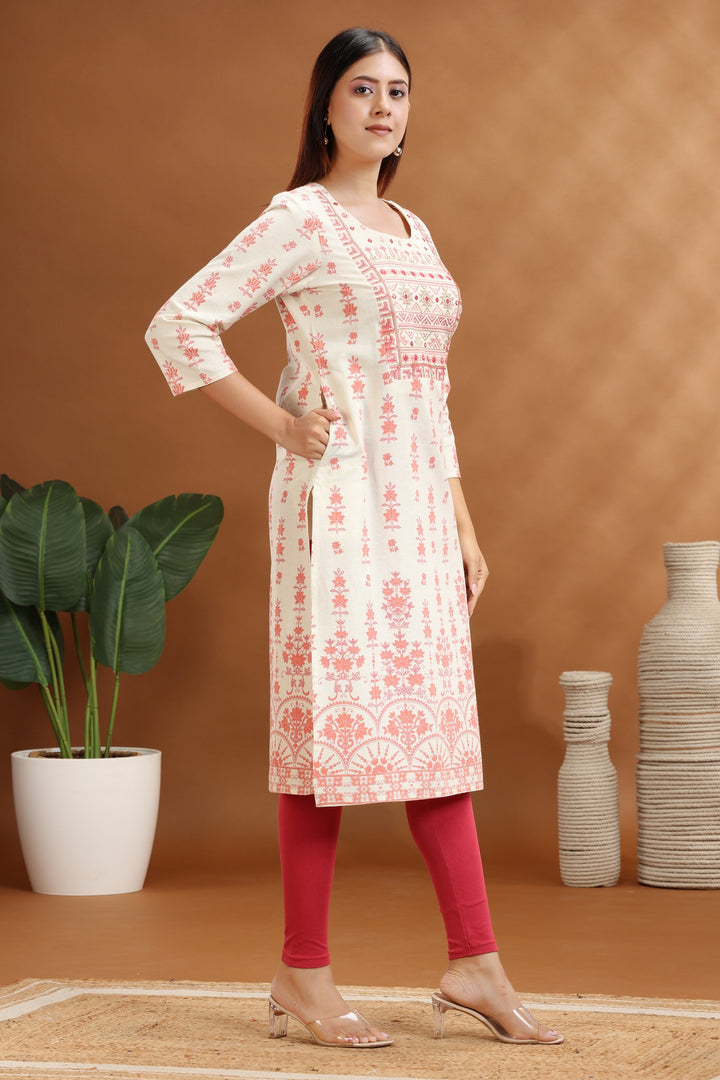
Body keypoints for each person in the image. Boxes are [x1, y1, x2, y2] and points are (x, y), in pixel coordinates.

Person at [145, 27, 562, 1050]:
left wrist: (462, 523)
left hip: (418, 514)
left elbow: (432, 396)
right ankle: (303, 974)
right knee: (323, 735)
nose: (383, 106)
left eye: (398, 91)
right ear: (325, 109)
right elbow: (180, 325)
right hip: (334, 511)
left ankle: (475, 963)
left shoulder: (415, 231)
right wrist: (284, 425)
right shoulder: (300, 219)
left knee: (437, 735)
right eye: (363, 88)